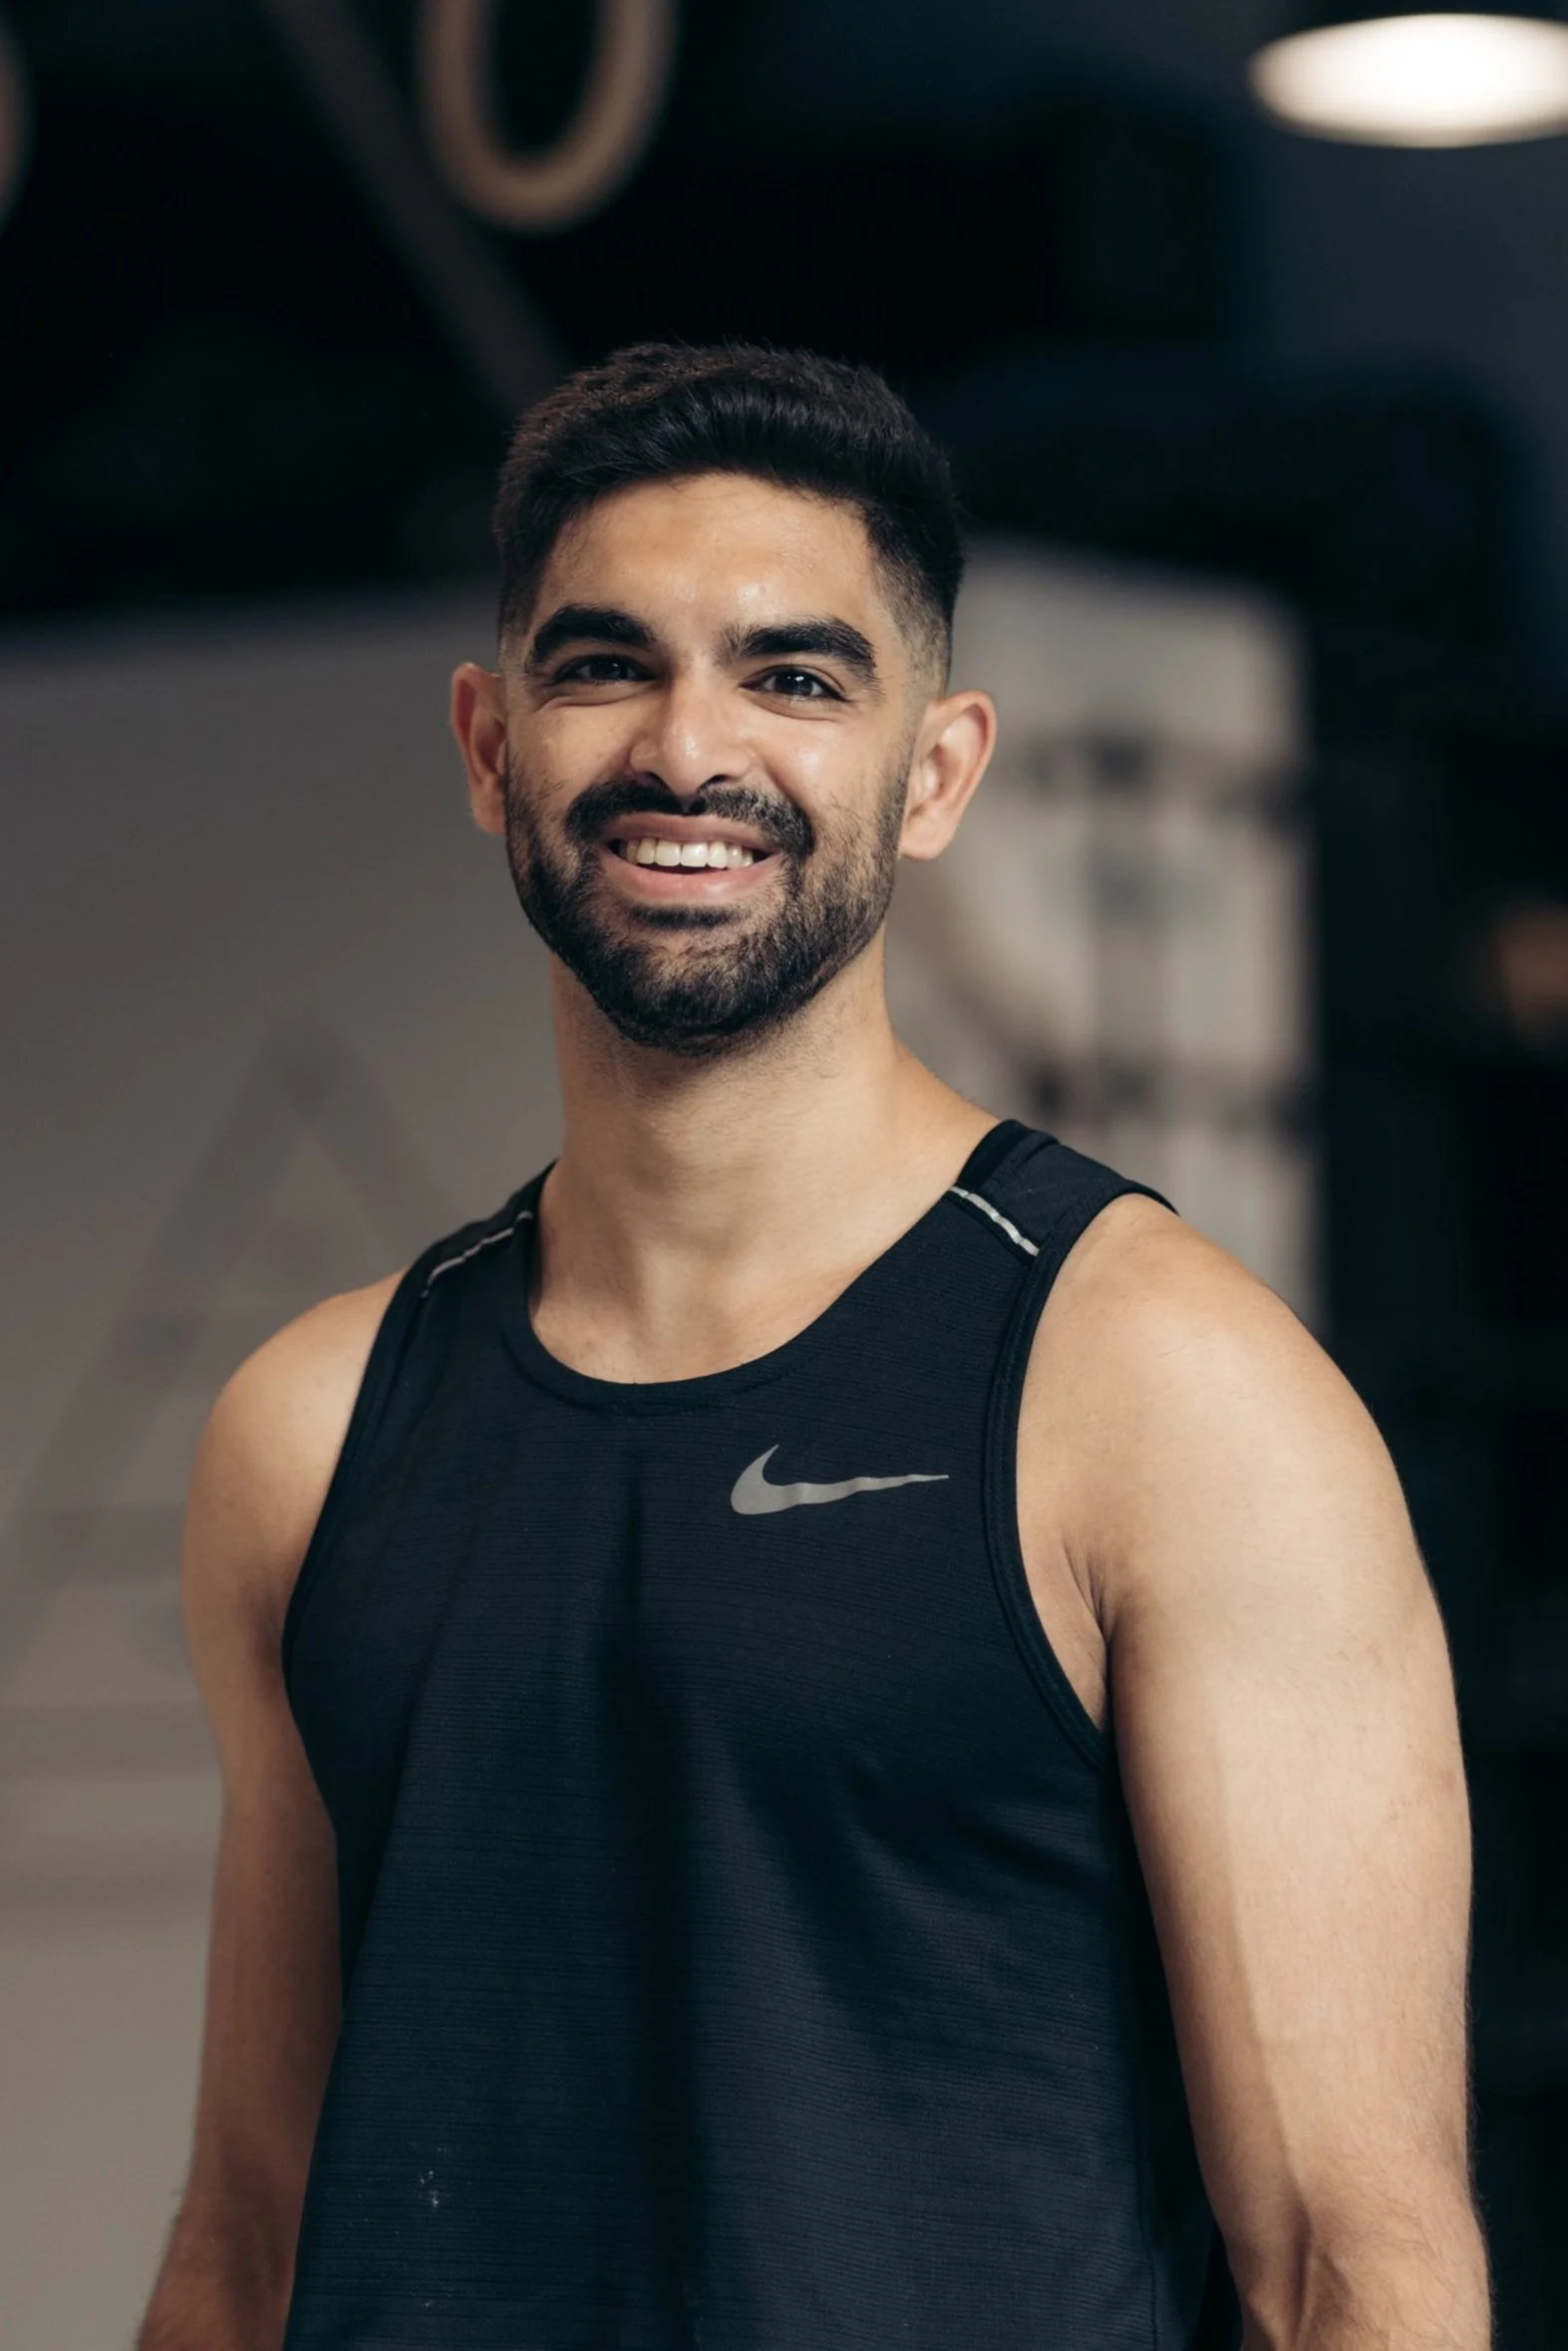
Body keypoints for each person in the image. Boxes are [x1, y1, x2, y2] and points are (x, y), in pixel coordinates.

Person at [139, 343, 1487, 2351]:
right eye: (606, 665)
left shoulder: (1160, 1393)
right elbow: (249, 2243)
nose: (689, 747)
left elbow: (1349, 2267)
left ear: (934, 774)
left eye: (794, 677)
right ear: (491, 748)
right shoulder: (316, 1430)